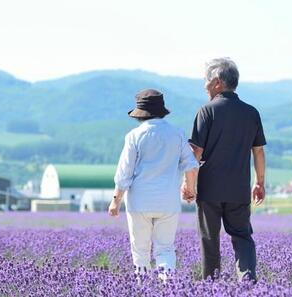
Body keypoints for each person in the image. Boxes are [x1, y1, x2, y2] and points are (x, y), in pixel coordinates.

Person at [182, 57, 266, 281]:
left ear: (217, 82)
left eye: (206, 81)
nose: (205, 86)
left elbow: (196, 153)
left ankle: (212, 286)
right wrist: (260, 182)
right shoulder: (251, 113)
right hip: (239, 189)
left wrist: (188, 184)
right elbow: (258, 151)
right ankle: (247, 280)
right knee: (242, 237)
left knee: (209, 239)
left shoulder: (206, 111)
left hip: (210, 189)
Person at [108, 89, 199, 276]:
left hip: (139, 203)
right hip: (168, 202)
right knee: (165, 249)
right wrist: (190, 189)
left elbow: (124, 172)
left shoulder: (134, 136)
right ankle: (169, 290)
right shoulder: (177, 133)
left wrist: (116, 201)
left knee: (140, 251)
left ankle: (144, 290)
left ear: (140, 114)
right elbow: (191, 165)